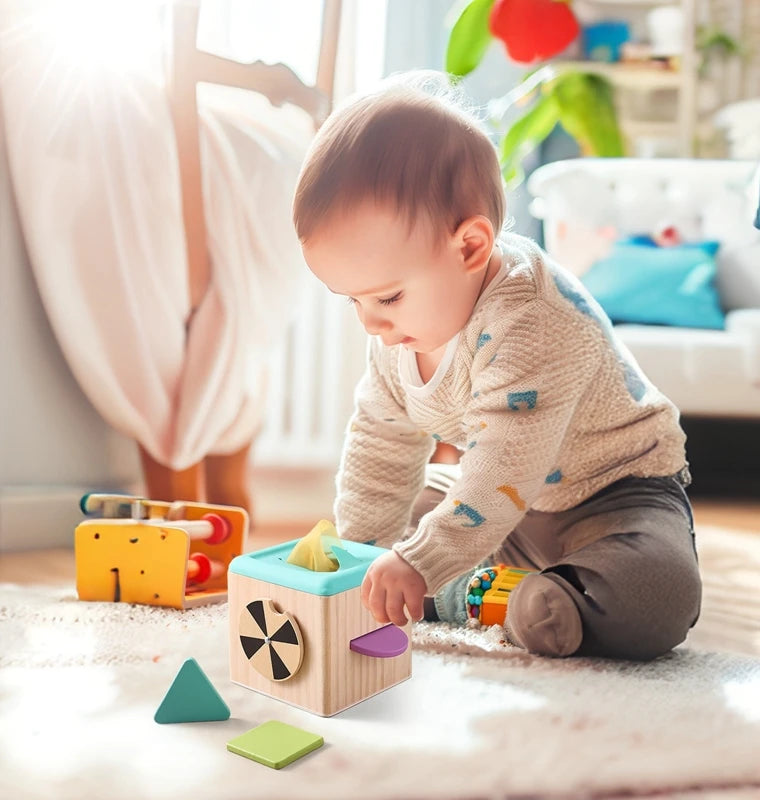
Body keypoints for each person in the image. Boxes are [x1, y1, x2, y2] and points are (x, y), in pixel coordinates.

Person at [291, 71, 702, 660]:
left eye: (384, 296)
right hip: (498, 505)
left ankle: (552, 601)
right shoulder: (398, 330)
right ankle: (473, 591)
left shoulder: (531, 321)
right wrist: (361, 553)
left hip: (615, 497)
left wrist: (419, 557)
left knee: (659, 590)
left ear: (469, 247)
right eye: (351, 300)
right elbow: (381, 444)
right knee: (412, 514)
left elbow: (506, 464)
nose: (371, 323)